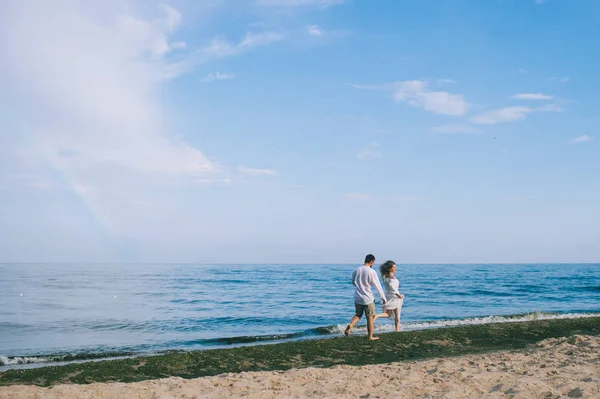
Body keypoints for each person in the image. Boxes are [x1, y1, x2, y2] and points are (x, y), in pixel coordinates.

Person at [344, 254, 387, 340]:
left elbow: (353, 282)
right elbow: (377, 286)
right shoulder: (371, 271)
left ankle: (351, 325)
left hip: (357, 297)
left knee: (358, 314)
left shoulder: (356, 270)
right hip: (368, 298)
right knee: (370, 318)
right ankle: (370, 336)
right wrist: (383, 298)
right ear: (371, 262)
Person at [374, 260, 404, 332]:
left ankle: (397, 330)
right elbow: (392, 287)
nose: (395, 269)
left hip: (389, 296)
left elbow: (390, 287)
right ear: (390, 269)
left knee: (390, 314)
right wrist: (399, 295)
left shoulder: (386, 276)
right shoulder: (391, 277)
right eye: (394, 267)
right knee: (393, 315)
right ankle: (376, 316)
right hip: (394, 297)